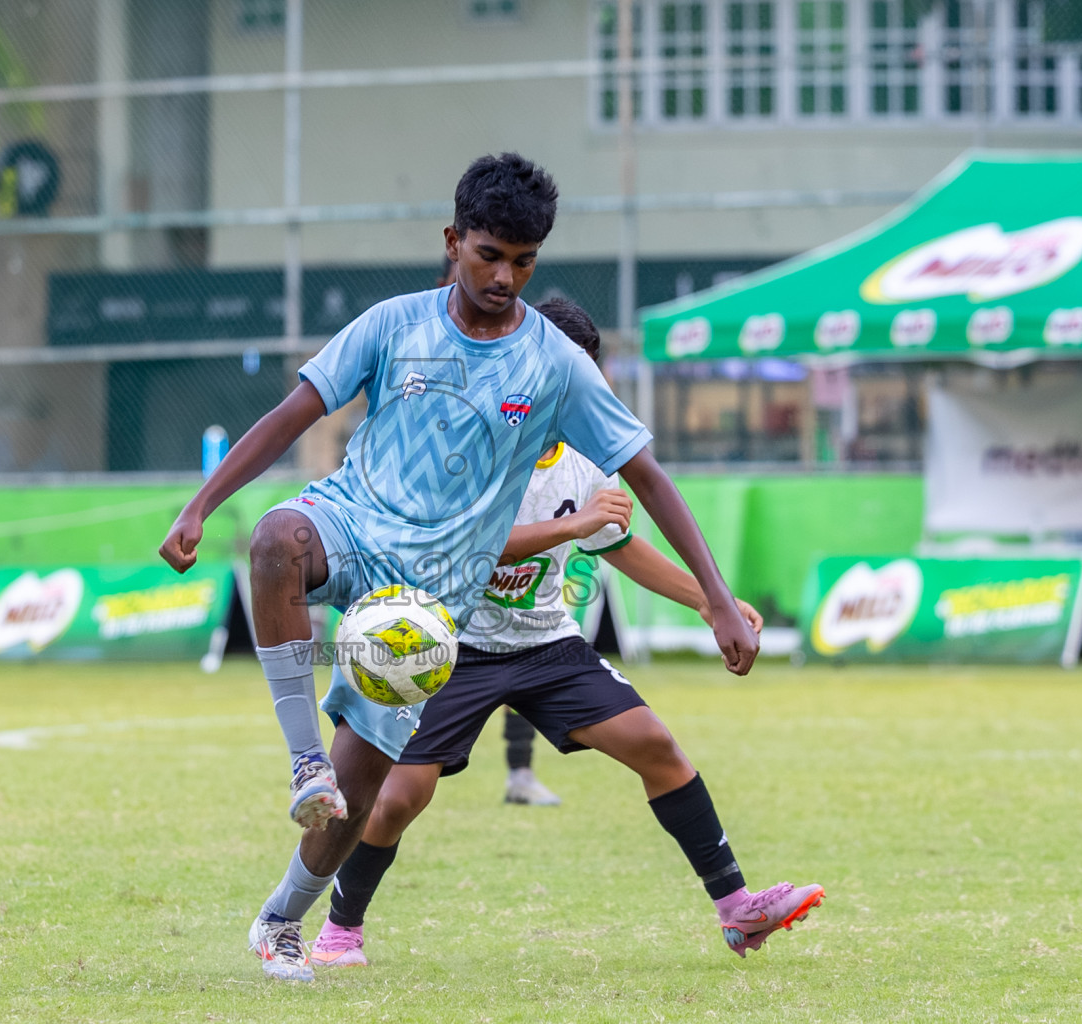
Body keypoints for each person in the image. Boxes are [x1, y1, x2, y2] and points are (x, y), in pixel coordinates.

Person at [158, 153, 760, 982]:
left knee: (363, 793)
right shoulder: (392, 323)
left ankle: (283, 918)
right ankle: (300, 759)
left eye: (524, 262)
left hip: (434, 595)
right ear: (453, 240)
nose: (505, 277)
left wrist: (719, 600)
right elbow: (293, 412)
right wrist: (199, 503)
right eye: (489, 255)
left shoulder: (555, 364)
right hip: (351, 525)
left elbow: (648, 477)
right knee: (273, 539)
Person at [308, 298, 822, 970]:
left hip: (547, 645)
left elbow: (622, 546)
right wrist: (571, 528)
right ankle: (339, 931)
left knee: (656, 745)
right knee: (400, 796)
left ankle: (738, 910)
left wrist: (711, 601)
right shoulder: (471, 445)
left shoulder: (587, 461)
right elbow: (468, 548)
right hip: (454, 645)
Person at [437, 251, 561, 808]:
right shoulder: (421, 352)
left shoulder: (530, 362)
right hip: (438, 584)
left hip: (513, 607)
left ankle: (519, 773)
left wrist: (710, 600)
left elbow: (625, 544)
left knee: (529, 634)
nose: (501, 279)